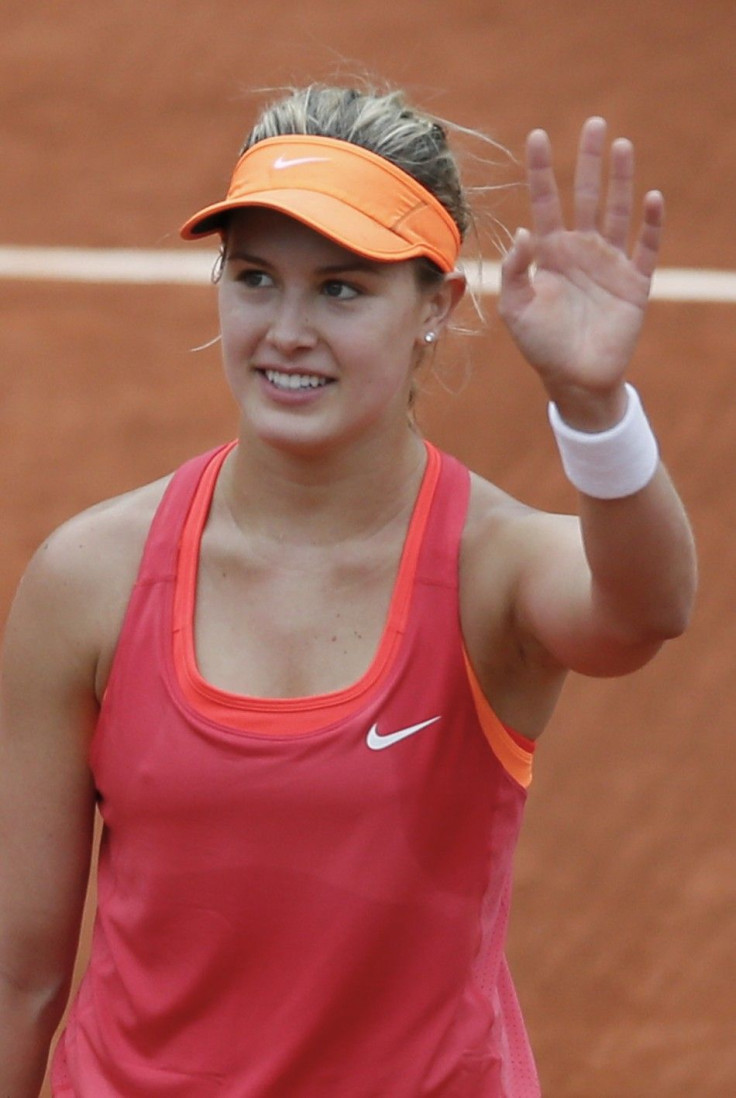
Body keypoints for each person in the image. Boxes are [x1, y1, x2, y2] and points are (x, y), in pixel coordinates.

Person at [0, 83, 696, 1098]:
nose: (286, 328)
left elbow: (643, 610)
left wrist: (593, 408)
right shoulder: (88, 578)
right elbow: (19, 974)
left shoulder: (488, 569)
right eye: (253, 278)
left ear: (436, 308)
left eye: (341, 289)